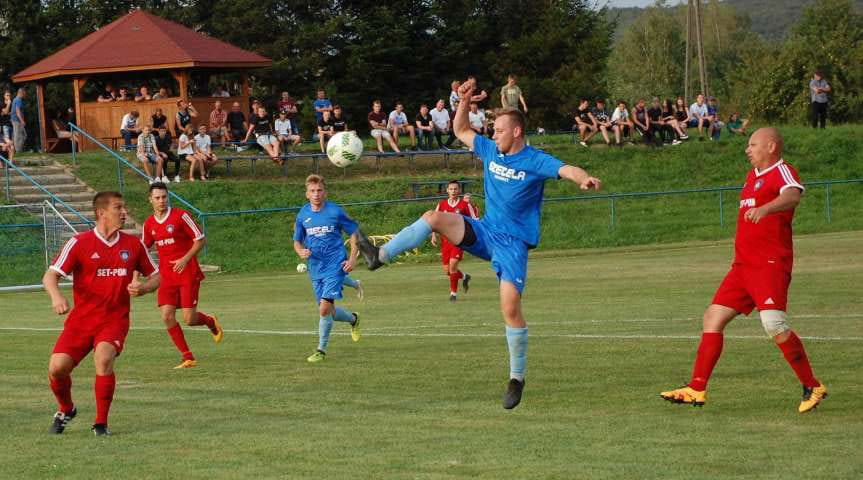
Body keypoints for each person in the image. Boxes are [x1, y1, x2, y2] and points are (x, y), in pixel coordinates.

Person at [356, 79, 601, 409]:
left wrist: (583, 178)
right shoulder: (490, 150)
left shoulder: (534, 160)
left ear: (515, 132)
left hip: (512, 244)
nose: (493, 133)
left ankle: (516, 378)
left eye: (499, 129)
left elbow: (567, 168)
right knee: (433, 217)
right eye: (493, 128)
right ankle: (379, 255)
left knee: (510, 309)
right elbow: (460, 129)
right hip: (485, 231)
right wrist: (463, 100)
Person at [660, 128, 827, 413]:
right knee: (713, 317)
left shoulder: (783, 171)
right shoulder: (753, 177)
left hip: (769, 264)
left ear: (771, 146)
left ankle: (813, 385)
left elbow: (792, 196)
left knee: (774, 325)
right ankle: (696, 388)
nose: (747, 149)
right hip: (742, 267)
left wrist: (765, 210)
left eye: (752, 144)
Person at [43, 191, 160, 436]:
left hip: (114, 320)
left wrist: (144, 287)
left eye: (124, 207)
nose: (124, 212)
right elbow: (51, 275)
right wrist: (57, 296)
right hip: (81, 321)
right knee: (57, 368)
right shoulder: (79, 243)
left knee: (104, 358)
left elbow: (156, 275)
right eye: (118, 208)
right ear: (101, 213)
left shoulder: (133, 245)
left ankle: (100, 423)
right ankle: (66, 408)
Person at [143, 183, 223, 369]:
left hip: (187, 273)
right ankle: (188, 357)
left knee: (189, 319)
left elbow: (200, 239)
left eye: (164, 197)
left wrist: (185, 259)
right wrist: (135, 277)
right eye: (157, 198)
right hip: (166, 277)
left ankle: (210, 321)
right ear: (151, 200)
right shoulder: (149, 224)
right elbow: (142, 250)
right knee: (166, 316)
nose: (161, 201)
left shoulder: (181, 216)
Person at [293, 174, 362, 363]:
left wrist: (353, 257)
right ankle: (353, 319)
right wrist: (300, 251)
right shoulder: (303, 214)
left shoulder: (335, 211)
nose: (316, 194)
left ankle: (320, 350)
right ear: (307, 194)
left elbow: (355, 233)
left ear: (325, 192)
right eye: (312, 191)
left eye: (319, 190)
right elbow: (297, 241)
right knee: (329, 311)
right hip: (316, 267)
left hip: (335, 264)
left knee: (323, 310)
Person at [430, 181, 479, 302]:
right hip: (445, 241)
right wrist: (433, 235)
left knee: (453, 266)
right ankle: (464, 276)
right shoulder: (441, 205)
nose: (453, 191)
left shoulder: (464, 205)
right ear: (447, 190)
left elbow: (475, 220)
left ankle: (453, 294)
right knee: (448, 271)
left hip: (459, 241)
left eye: (455, 189)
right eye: (451, 189)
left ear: (459, 191)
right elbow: (434, 221)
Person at [11, 88, 27, 152]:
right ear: (21, 93)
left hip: (15, 120)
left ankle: (14, 149)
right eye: (24, 94)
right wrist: (22, 121)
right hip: (17, 120)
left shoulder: (15, 99)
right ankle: (18, 150)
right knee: (20, 136)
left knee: (16, 135)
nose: (25, 95)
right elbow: (18, 111)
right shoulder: (18, 100)